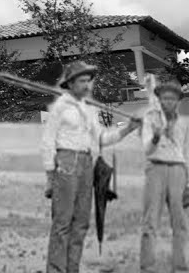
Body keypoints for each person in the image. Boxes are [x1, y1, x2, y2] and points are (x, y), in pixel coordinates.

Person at [42, 61, 141, 273]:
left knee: (81, 223)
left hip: (87, 163)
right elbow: (48, 141)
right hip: (66, 162)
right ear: (70, 83)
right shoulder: (60, 107)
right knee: (62, 223)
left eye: (89, 81)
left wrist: (128, 129)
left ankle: (72, 269)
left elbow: (103, 138)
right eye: (82, 81)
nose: (87, 85)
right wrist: (51, 175)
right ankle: (55, 270)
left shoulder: (89, 109)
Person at [139, 78, 189, 273]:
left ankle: (181, 266)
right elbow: (147, 149)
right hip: (156, 168)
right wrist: (156, 136)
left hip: (178, 171)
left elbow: (186, 153)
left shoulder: (184, 124)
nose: (168, 101)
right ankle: (148, 267)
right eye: (165, 98)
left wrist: (188, 181)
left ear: (178, 101)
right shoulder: (151, 119)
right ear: (159, 100)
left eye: (172, 98)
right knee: (150, 221)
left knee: (180, 222)